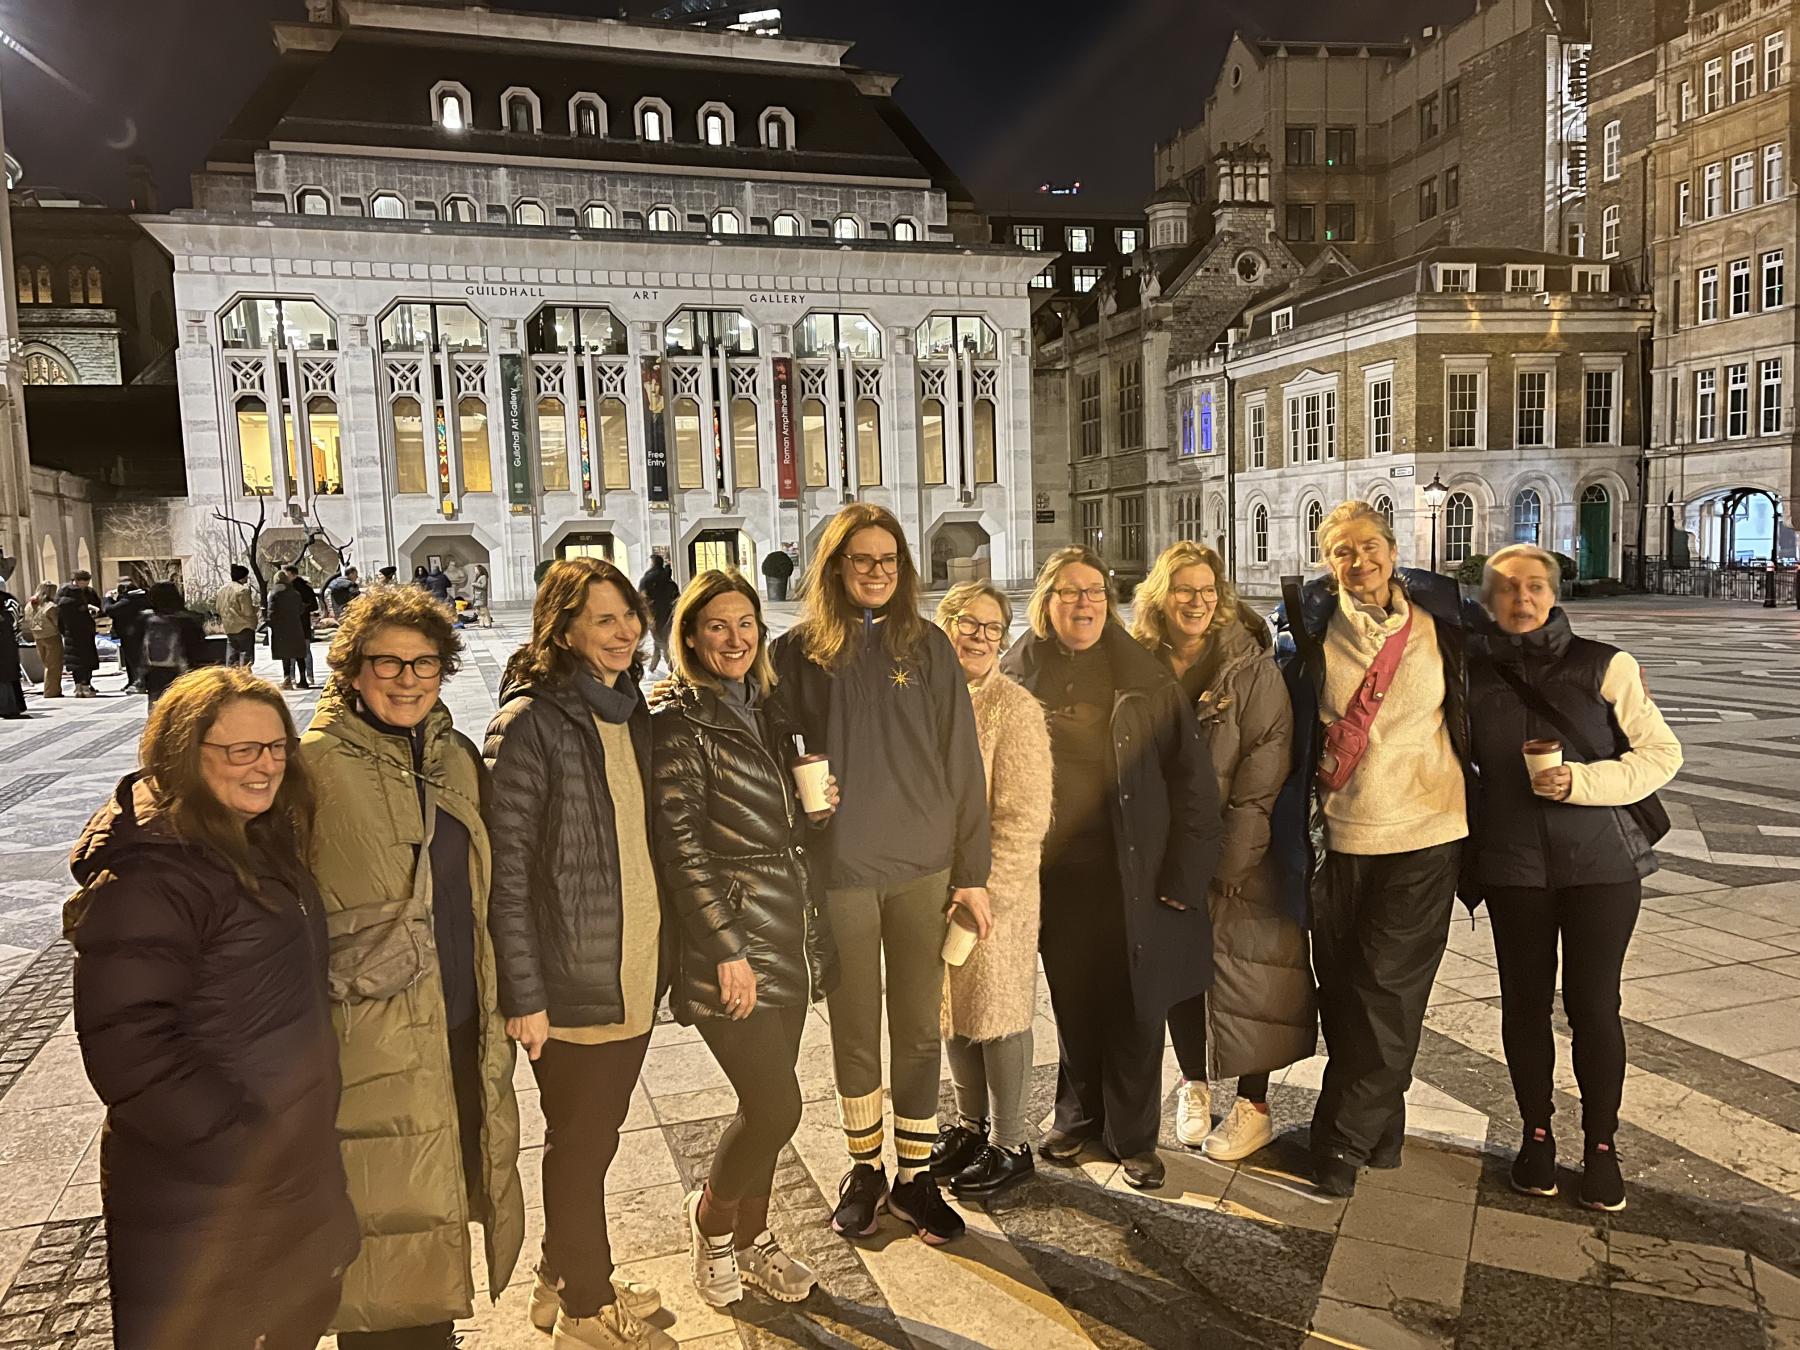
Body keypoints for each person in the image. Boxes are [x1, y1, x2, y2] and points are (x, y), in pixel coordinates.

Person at [65, 666, 359, 1349]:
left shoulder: (253, 842)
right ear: (184, 756)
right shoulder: (154, 874)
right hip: (208, 1197)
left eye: (276, 748)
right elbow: (130, 1046)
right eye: (240, 751)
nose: (265, 767)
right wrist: (246, 1146)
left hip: (277, 1178)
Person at [300, 585, 525, 1348]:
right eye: (387, 662)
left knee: (436, 1202)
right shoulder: (313, 768)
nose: (406, 678)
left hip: (457, 1022)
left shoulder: (454, 757)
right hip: (367, 1042)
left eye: (424, 662)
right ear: (352, 669)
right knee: (379, 1235)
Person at [770, 503, 992, 1244]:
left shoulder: (926, 645)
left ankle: (915, 1175)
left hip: (924, 865)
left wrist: (974, 870)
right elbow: (775, 754)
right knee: (856, 1027)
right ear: (835, 567)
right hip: (843, 869)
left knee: (921, 1029)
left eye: (887, 561)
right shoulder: (798, 653)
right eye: (860, 560)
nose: (874, 572)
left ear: (903, 571)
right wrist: (804, 802)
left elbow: (964, 761)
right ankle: (865, 1168)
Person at [483, 557, 671, 1350]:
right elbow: (506, 874)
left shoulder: (632, 712)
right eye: (603, 619)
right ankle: (588, 1310)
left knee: (594, 1137)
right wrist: (524, 993)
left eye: (628, 615)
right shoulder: (529, 723)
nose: (625, 631)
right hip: (570, 980)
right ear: (563, 631)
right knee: (583, 1144)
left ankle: (563, 1273)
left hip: (631, 970)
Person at [1272, 500, 1477, 1197]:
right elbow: (1279, 708)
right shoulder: (1308, 625)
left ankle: (1338, 1143)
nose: (1358, 562)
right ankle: (1381, 1131)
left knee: (1387, 992)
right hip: (1339, 836)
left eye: (1368, 547)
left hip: (1427, 831)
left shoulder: (1441, 621)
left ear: (1393, 550)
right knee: (1344, 989)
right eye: (1341, 551)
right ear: (1326, 561)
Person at [1001, 547, 1222, 1191]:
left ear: (1111, 601)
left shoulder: (1142, 676)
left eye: (1094, 591)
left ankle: (1132, 1135)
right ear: (1045, 603)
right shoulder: (1016, 675)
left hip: (1135, 872)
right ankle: (1078, 1115)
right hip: (1055, 876)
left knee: (1134, 1004)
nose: (1083, 603)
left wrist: (1185, 876)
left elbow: (1193, 786)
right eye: (1068, 592)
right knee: (1073, 999)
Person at [1469, 544, 1682, 1212]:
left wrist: (1584, 781)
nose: (1522, 598)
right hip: (1512, 866)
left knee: (1594, 1006)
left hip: (1601, 865)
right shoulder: (1468, 674)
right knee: (1524, 1005)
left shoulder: (1605, 665)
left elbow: (1661, 753)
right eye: (1506, 588)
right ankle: (1536, 1135)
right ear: (1487, 600)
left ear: (1554, 593)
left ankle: (1601, 1145)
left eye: (1534, 586)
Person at [651, 570, 840, 1309]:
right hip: (731, 939)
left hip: (787, 929)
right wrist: (726, 947)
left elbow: (786, 819)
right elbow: (682, 846)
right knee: (774, 1108)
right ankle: (712, 1224)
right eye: (718, 626)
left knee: (768, 1104)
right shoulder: (680, 721)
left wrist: (816, 813)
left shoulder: (769, 707)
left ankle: (755, 1242)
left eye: (746, 623)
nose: (736, 639)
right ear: (691, 636)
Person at [1133, 542, 1311, 1162]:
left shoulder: (1250, 668)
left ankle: (1254, 1105)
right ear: (1162, 595)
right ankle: (1194, 1084)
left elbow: (1266, 768)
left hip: (1243, 848)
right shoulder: (1140, 661)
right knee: (1183, 971)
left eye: (1207, 590)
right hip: (1167, 850)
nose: (1198, 601)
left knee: (1254, 969)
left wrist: (1233, 857)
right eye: (1184, 589)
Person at [926, 582, 1054, 1198]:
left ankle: (1011, 1141)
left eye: (992, 628)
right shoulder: (928, 700)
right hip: (933, 887)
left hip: (995, 892)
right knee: (952, 1008)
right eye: (967, 625)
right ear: (943, 627)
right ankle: (970, 1125)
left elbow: (1024, 820)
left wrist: (982, 891)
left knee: (998, 1011)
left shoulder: (1015, 710)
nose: (980, 637)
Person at [141, 580, 211, 708]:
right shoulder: (189, 620)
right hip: (186, 671)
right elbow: (199, 650)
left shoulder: (147, 621)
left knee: (158, 710)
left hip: (156, 673)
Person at [57, 570, 103, 698]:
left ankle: (79, 686)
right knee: (85, 659)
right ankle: (84, 686)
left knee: (76, 661)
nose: (86, 585)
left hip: (70, 632)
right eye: (85, 582)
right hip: (82, 631)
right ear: (77, 581)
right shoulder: (75, 595)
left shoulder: (63, 594)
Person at [268, 568, 314, 690]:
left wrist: (271, 622)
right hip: (296, 626)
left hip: (281, 628)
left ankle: (287, 679)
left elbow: (271, 612)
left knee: (286, 654)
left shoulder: (274, 593)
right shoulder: (295, 593)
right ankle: (303, 680)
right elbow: (300, 609)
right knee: (299, 653)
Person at [106, 574, 151, 693]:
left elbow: (110, 610)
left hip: (131, 634)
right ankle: (132, 681)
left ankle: (139, 682)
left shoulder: (129, 600)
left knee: (134, 659)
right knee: (130, 660)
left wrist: (108, 599)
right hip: (134, 633)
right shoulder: (142, 597)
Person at [638, 554, 680, 673]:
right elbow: (678, 599)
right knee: (662, 640)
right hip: (669, 616)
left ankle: (672, 668)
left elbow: (641, 599)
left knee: (661, 642)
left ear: (652, 564)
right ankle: (654, 667)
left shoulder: (646, 580)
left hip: (654, 615)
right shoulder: (669, 581)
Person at [215, 564, 261, 668]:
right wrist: (256, 609)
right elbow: (247, 611)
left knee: (232, 659)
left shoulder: (221, 590)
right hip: (244, 627)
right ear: (243, 576)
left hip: (229, 628)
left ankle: (233, 679)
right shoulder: (243, 590)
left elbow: (218, 608)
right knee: (246, 658)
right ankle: (246, 679)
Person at [24, 581, 62, 697]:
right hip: (52, 636)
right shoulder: (51, 606)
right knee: (54, 665)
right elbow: (56, 623)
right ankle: (51, 691)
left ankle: (50, 690)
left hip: (37, 636)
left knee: (46, 664)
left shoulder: (29, 605)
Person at [0, 583, 25, 718]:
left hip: (4, 654)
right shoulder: (7, 614)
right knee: (9, 681)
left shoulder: (3, 616)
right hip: (8, 652)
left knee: (5, 682)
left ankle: (7, 708)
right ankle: (13, 707)